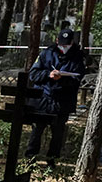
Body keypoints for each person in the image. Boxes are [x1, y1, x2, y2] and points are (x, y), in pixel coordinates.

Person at [26, 28, 86, 163]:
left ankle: (52, 160)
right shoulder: (46, 53)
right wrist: (49, 75)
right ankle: (30, 158)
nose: (64, 47)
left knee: (58, 133)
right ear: (57, 41)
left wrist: (62, 79)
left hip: (62, 102)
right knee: (37, 130)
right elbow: (33, 74)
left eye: (67, 44)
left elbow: (77, 79)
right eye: (62, 43)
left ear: (72, 43)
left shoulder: (78, 58)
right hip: (42, 99)